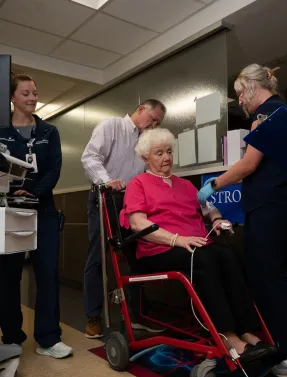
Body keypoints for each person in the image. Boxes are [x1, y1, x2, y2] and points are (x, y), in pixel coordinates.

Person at [197, 64, 287, 377]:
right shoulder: (282, 113)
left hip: (271, 208)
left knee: (274, 282)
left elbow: (249, 164)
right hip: (278, 207)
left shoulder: (268, 114)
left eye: (240, 93)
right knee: (271, 280)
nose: (240, 101)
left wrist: (213, 185)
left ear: (253, 87)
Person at [119, 128, 277, 363]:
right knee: (206, 259)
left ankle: (246, 330)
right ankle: (228, 336)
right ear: (145, 157)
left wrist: (216, 219)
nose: (166, 158)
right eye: (159, 153)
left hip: (195, 245)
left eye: (169, 152)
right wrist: (177, 239)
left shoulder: (185, 185)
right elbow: (137, 223)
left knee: (228, 255)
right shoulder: (138, 184)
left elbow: (207, 207)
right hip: (159, 249)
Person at [0, 72, 72, 359]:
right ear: (12, 97)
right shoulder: (1, 131)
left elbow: (54, 169)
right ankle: (12, 338)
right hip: (9, 212)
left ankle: (48, 339)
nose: (32, 98)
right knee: (8, 277)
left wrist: (35, 193)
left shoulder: (48, 132)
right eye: (26, 93)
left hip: (42, 210)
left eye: (34, 92)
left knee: (47, 274)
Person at [81, 99, 167, 339]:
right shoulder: (111, 127)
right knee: (98, 258)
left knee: (136, 257)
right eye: (152, 119)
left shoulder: (146, 141)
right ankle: (93, 317)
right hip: (103, 197)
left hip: (130, 203)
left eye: (157, 123)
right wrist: (107, 180)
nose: (153, 125)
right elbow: (89, 158)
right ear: (140, 109)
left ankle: (137, 315)